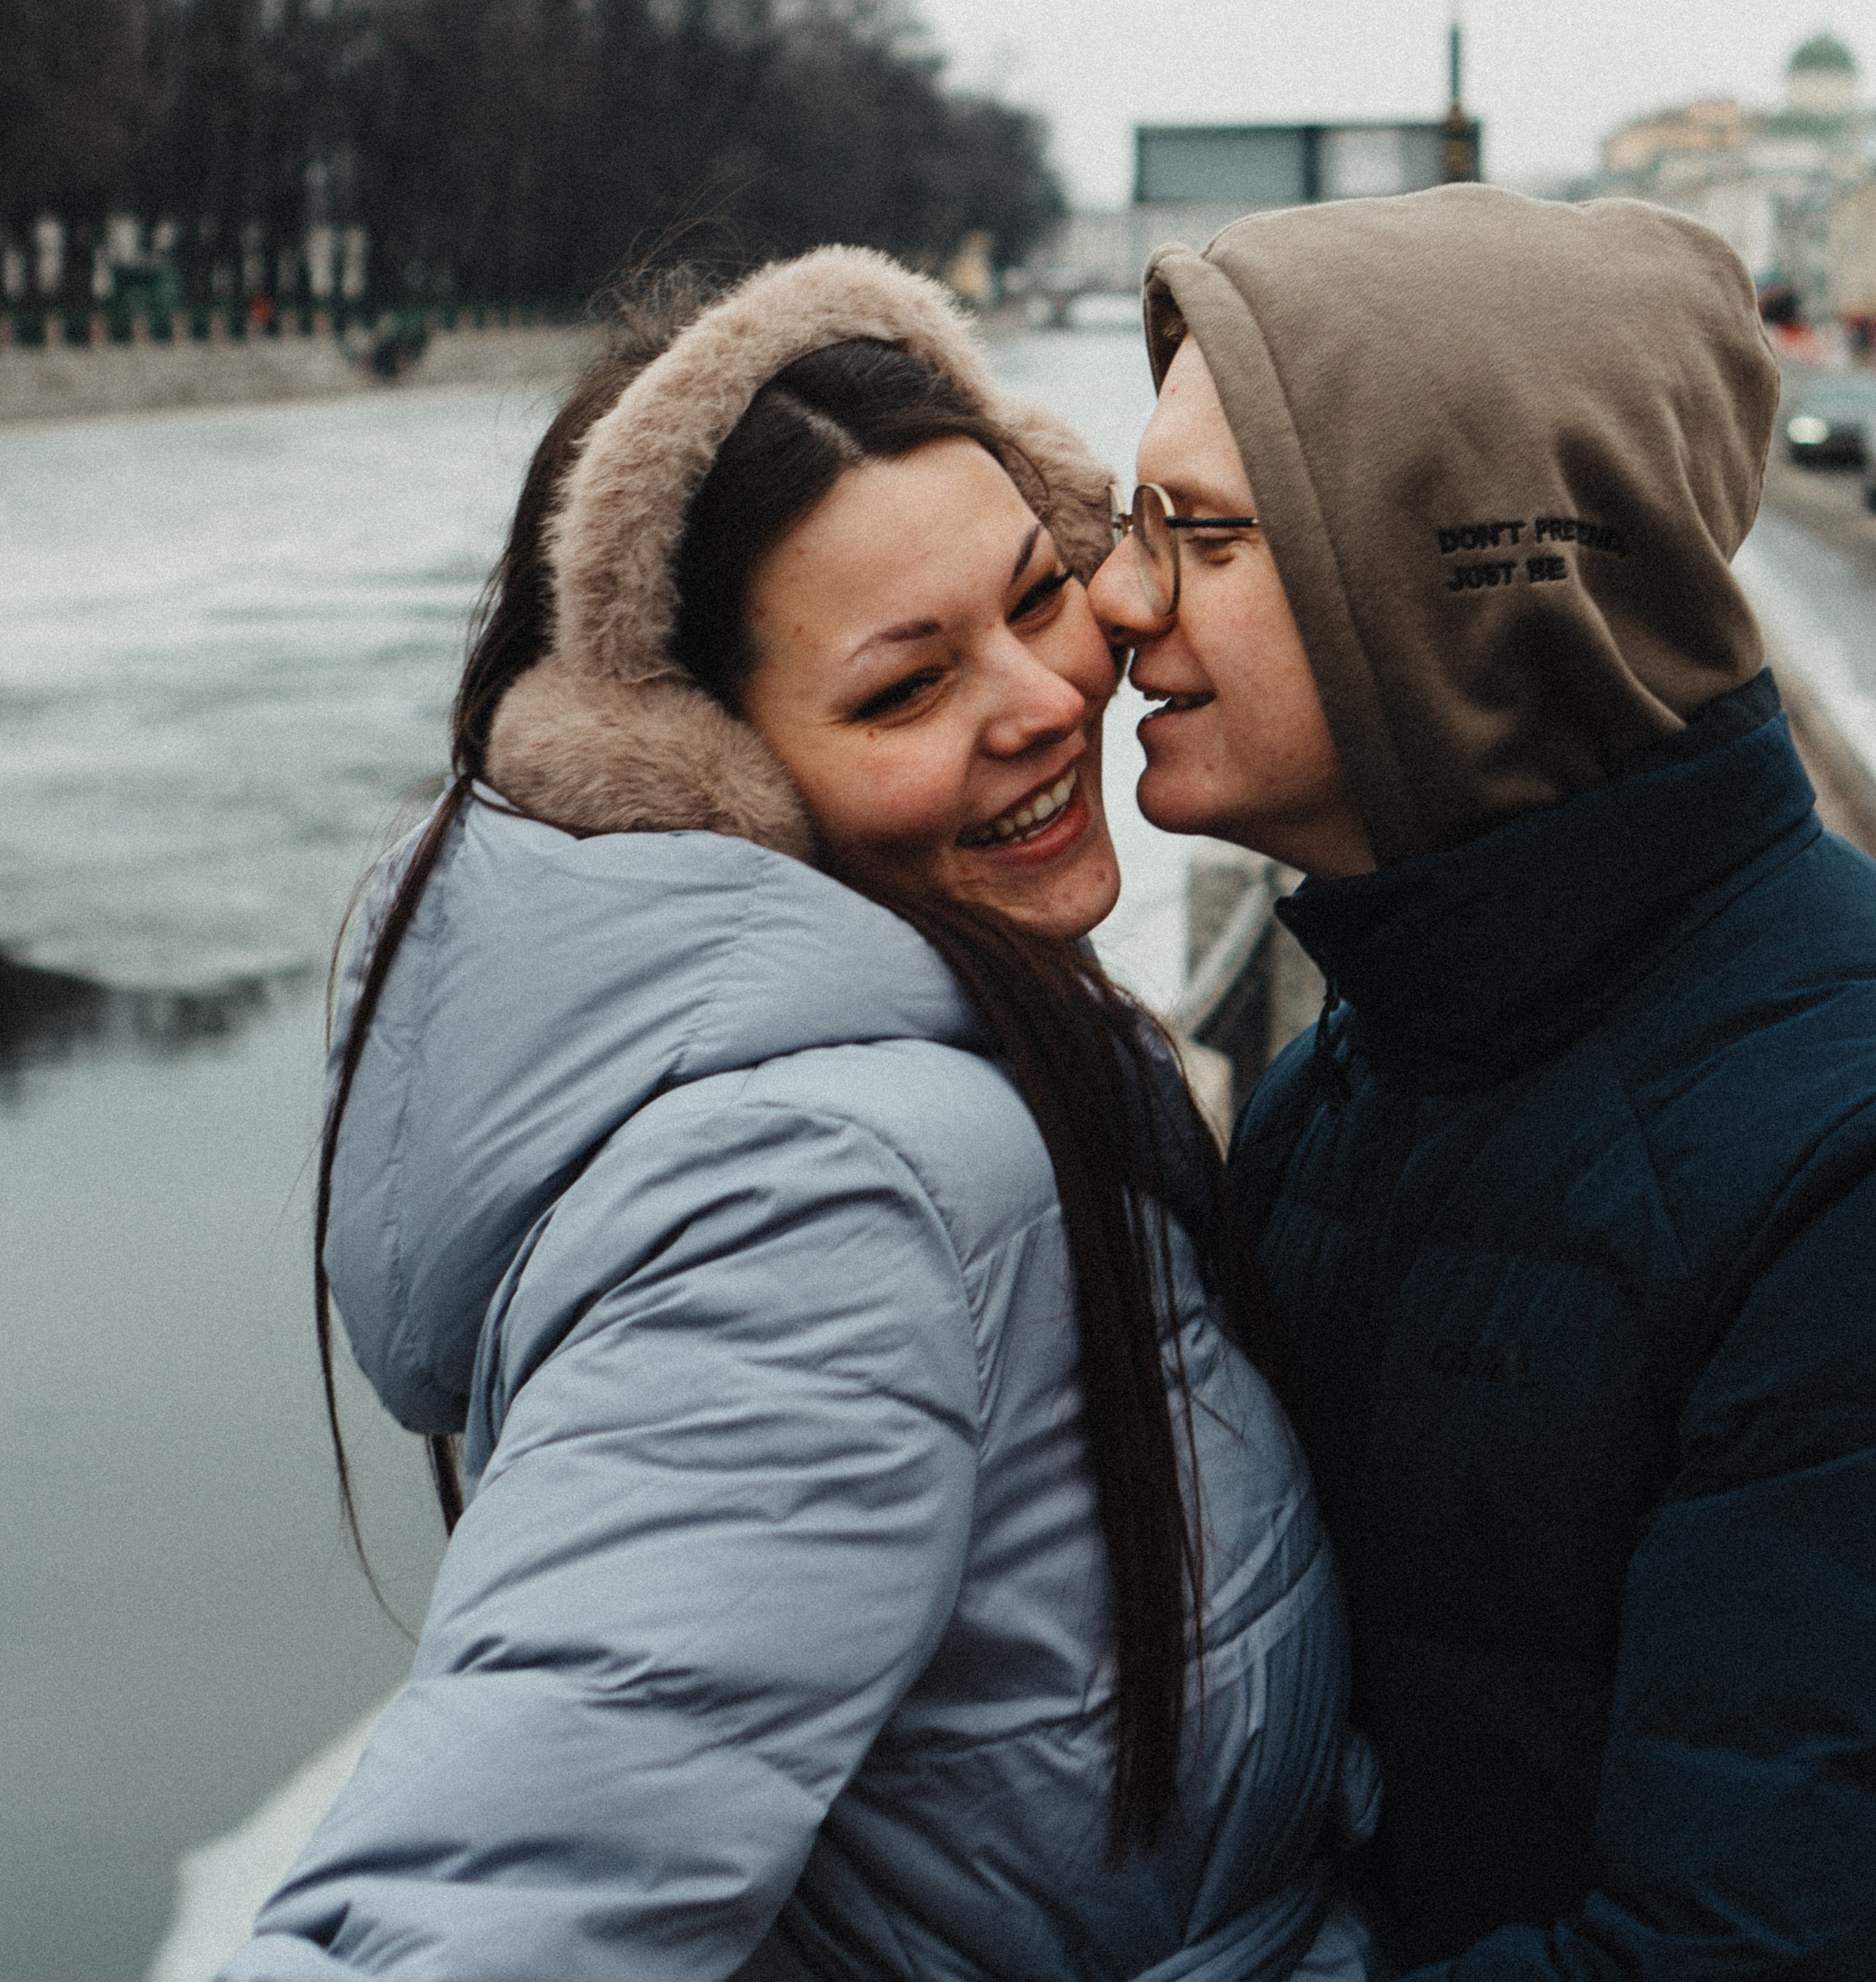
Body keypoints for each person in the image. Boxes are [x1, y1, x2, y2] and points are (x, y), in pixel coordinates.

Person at [224, 246, 1375, 1982]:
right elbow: (478, 1917)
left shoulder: (960, 1069)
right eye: (906, 688)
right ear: (709, 785)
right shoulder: (829, 1205)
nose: (1048, 699)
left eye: (1037, 591)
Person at [1087, 182, 1876, 1981]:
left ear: (1455, 589)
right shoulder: (1349, 1077)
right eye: (1130, 521)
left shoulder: (1834, 1167)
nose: (1118, 602)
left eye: (1202, 534)